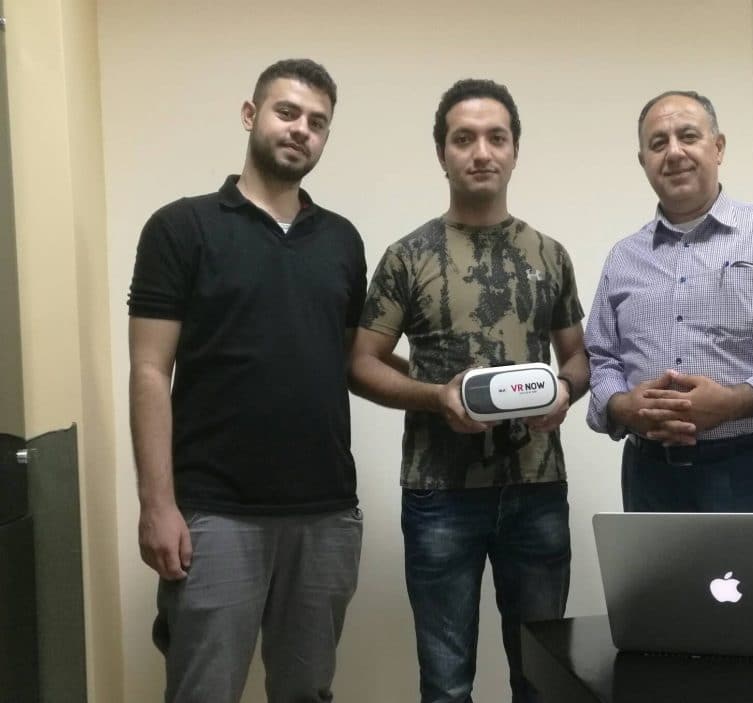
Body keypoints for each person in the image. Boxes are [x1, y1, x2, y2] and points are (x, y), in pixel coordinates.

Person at [127, 59, 365, 703]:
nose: (301, 129)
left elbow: (349, 361)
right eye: (288, 112)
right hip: (214, 514)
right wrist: (157, 505)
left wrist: (444, 390)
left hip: (325, 514)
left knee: (307, 692)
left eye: (318, 122)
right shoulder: (181, 228)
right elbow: (149, 370)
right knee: (204, 691)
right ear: (250, 115)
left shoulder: (342, 241)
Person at [349, 78, 589, 703]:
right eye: (464, 139)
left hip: (537, 489)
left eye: (495, 138)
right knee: (447, 684)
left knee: (542, 677)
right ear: (442, 153)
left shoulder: (550, 254)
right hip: (439, 493)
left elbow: (578, 357)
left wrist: (565, 391)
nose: (481, 152)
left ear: (514, 151)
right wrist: (435, 397)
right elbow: (361, 363)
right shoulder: (408, 257)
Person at [585, 90, 753, 513]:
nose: (674, 152)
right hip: (650, 475)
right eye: (658, 143)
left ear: (719, 147)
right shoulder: (623, 257)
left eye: (688, 136)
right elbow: (601, 359)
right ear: (643, 161)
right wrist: (620, 405)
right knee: (655, 564)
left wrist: (735, 401)